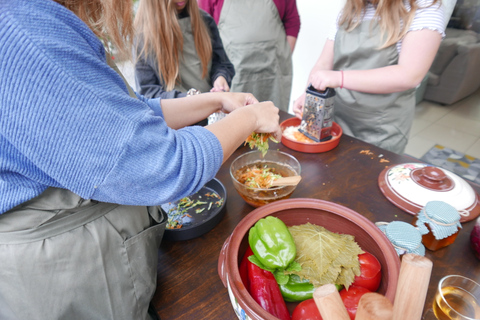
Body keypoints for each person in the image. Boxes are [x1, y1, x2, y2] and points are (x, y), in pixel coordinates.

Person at [0, 0, 281, 319]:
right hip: (62, 277)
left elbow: (125, 116)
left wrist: (216, 100)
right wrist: (249, 119)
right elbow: (164, 164)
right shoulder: (26, 33)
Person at [293, 0, 445, 154]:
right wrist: (310, 94)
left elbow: (409, 75)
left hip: (380, 128)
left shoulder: (424, 8)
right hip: (334, 117)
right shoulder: (352, 9)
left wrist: (339, 78)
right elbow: (324, 63)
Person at [198, 0, 301, 112]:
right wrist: (219, 74)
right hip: (232, 75)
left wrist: (283, 57)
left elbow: (292, 22)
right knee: (235, 124)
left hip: (273, 76)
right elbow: (204, 30)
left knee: (273, 121)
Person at [133, 0, 235, 101]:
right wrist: (190, 99)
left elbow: (222, 63)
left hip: (213, 110)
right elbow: (148, 93)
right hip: (175, 114)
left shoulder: (205, 21)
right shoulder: (142, 36)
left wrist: (220, 77)